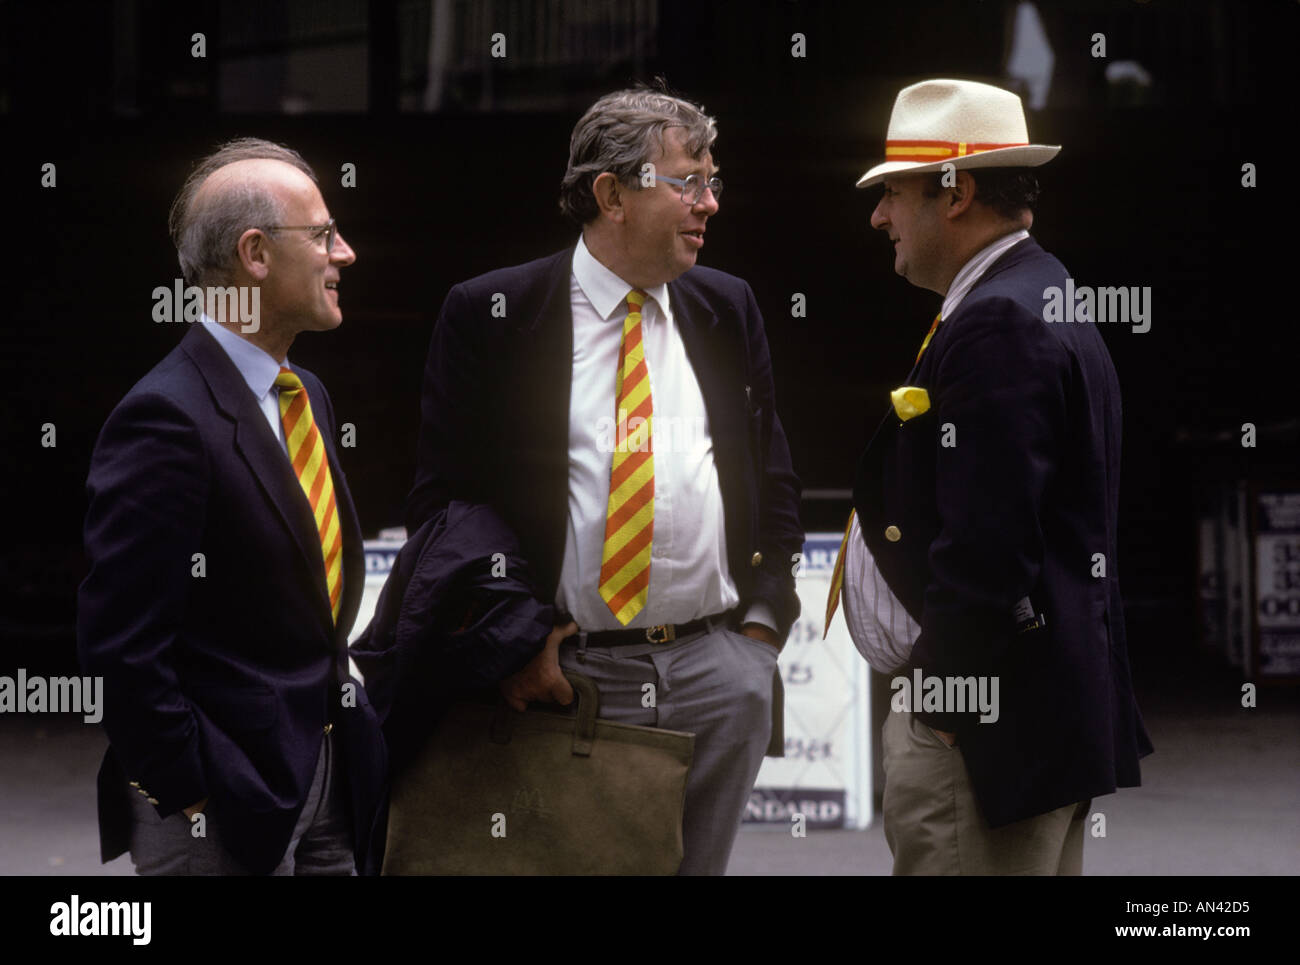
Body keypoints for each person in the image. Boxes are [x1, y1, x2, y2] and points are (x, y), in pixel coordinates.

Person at [407, 85, 804, 875]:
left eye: (712, 180)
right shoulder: (493, 313)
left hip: (717, 674)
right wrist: (516, 641)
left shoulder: (728, 307)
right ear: (612, 194)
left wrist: (758, 636)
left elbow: (771, 476)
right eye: (688, 180)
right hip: (564, 678)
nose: (710, 203)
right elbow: (448, 506)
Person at [828, 78, 1152, 874]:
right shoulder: (1041, 293)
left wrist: (943, 697)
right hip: (1024, 723)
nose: (878, 217)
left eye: (893, 194)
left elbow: (990, 544)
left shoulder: (1001, 319)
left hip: (981, 735)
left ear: (957, 192)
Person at [78, 137, 387, 875]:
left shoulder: (305, 393)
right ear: (255, 253)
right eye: (321, 235)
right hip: (221, 805)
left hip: (326, 780)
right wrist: (188, 787)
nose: (344, 253)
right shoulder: (165, 417)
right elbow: (121, 644)